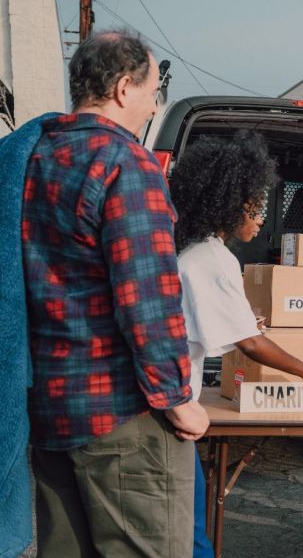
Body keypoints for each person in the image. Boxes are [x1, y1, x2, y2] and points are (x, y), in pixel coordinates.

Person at [19, 30, 209, 558]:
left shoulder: (33, 158)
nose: (154, 105)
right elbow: (147, 298)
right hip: (121, 415)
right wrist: (176, 398)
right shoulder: (126, 164)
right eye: (153, 91)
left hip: (51, 408)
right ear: (125, 88)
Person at [169, 131, 303, 558]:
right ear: (228, 203)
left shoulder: (192, 249)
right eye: (256, 205)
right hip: (169, 412)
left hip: (168, 404)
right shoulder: (212, 257)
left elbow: (223, 325)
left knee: (191, 518)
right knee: (190, 534)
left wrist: (247, 325)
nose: (262, 217)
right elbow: (251, 343)